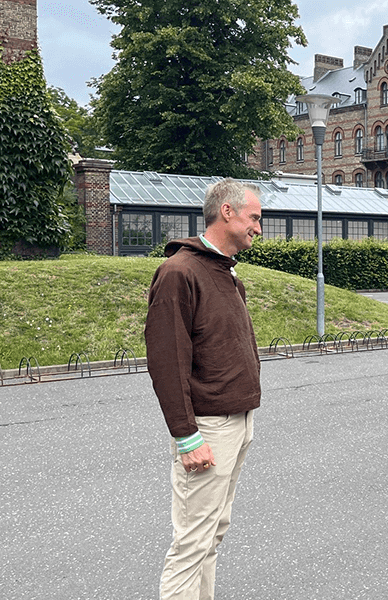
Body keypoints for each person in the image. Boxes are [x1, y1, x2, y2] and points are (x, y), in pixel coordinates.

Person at [145, 178, 263, 600]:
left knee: (212, 534)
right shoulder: (179, 272)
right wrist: (186, 435)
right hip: (207, 431)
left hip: (237, 424)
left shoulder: (227, 275)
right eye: (254, 218)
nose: (259, 228)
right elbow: (166, 361)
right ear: (227, 212)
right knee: (192, 544)